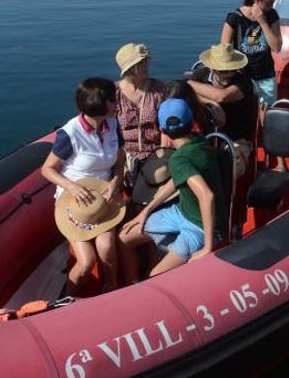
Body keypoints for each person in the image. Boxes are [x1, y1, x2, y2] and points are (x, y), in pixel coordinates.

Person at [118, 98, 222, 276]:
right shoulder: (200, 141)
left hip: (198, 227)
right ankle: (132, 286)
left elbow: (207, 195)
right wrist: (147, 211)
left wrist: (208, 247)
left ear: (162, 129)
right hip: (181, 212)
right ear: (191, 123)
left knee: (154, 276)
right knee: (123, 238)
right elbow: (178, 180)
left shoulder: (179, 159)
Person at [41, 78, 125, 293]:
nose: (117, 104)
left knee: (107, 248)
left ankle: (112, 288)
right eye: (113, 100)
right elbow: (47, 169)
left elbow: (120, 159)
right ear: (99, 103)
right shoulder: (69, 133)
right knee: (86, 262)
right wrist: (72, 187)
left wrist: (116, 180)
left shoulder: (114, 126)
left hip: (103, 199)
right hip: (74, 201)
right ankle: (67, 301)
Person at [221, 0, 283, 105]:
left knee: (267, 114)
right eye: (268, 3)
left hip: (266, 76)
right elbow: (224, 51)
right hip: (242, 77)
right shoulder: (235, 18)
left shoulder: (271, 15)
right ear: (257, 1)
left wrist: (263, 22)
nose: (272, 6)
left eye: (273, 2)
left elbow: (276, 47)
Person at [188, 43, 258, 144]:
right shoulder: (201, 75)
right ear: (212, 68)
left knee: (236, 155)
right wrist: (212, 103)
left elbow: (222, 96)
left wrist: (190, 84)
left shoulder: (243, 81)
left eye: (233, 70)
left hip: (237, 138)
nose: (229, 74)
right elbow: (183, 90)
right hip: (205, 137)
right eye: (224, 71)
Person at [115, 43, 165, 183]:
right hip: (123, 156)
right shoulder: (114, 93)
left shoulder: (158, 89)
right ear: (129, 68)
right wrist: (121, 165)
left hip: (155, 153)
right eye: (141, 63)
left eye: (146, 61)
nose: (146, 65)